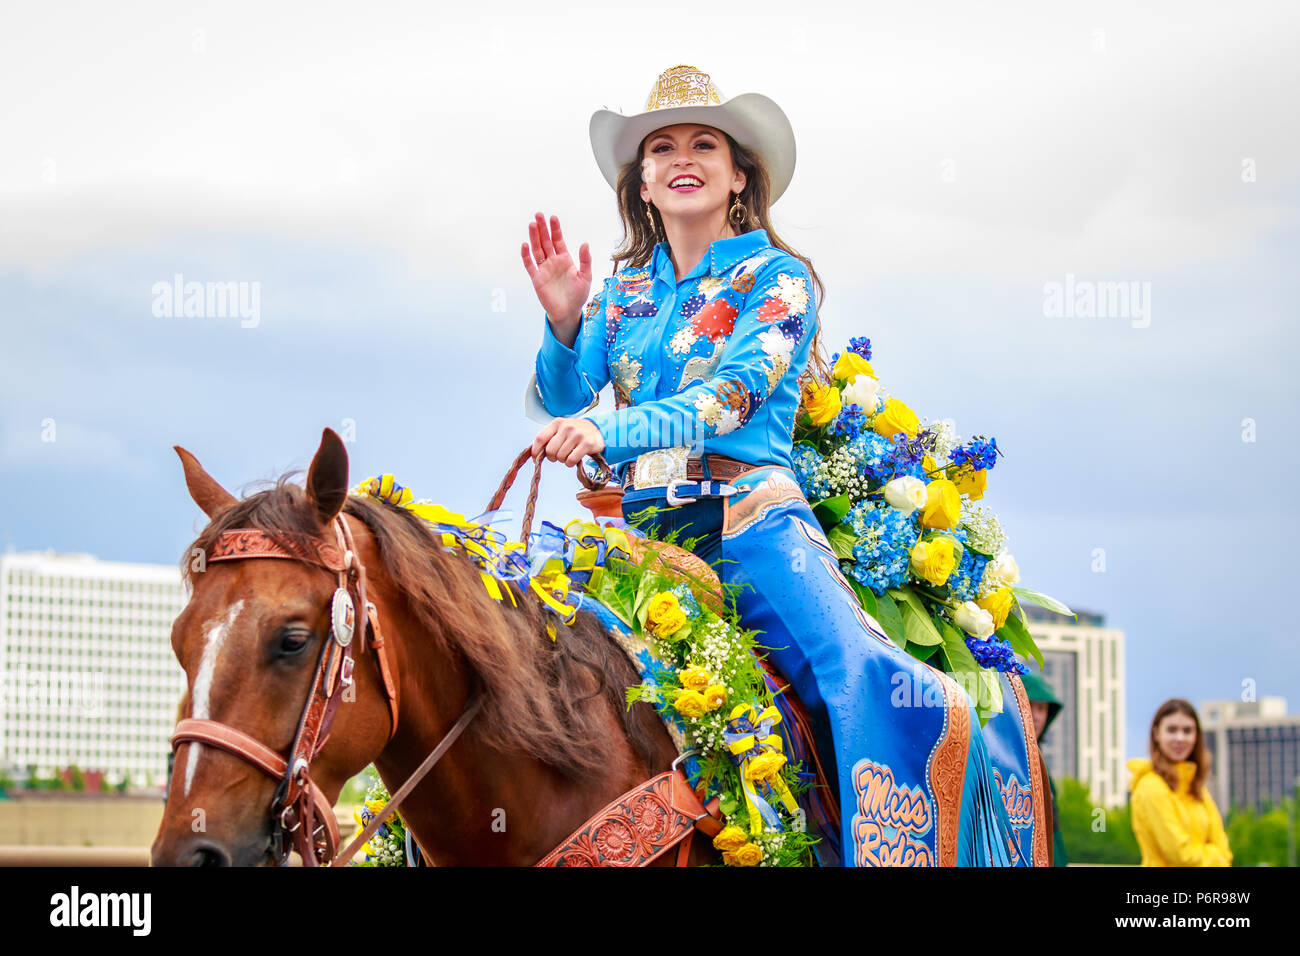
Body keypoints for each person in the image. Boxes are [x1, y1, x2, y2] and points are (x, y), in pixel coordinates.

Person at [522, 64, 1016, 866]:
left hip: (749, 526)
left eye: (704, 144)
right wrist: (564, 318)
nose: (684, 158)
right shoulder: (622, 291)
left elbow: (733, 398)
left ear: (739, 174)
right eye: (664, 148)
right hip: (636, 539)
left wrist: (610, 437)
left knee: (852, 675)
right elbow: (564, 393)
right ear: (643, 181)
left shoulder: (779, 281)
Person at [1127, 698, 1231, 867]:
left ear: (1196, 736)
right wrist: (1213, 855)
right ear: (1156, 734)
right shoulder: (1151, 787)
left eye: (1187, 730)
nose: (1180, 738)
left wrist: (1216, 855)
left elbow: (1225, 851)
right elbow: (1180, 856)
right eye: (1172, 730)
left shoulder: (1197, 787)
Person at [1020, 669, 1067, 866]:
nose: (1037, 716)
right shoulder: (998, 758)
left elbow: (1053, 830)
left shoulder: (1042, 763)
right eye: (1031, 706)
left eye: (1042, 709)